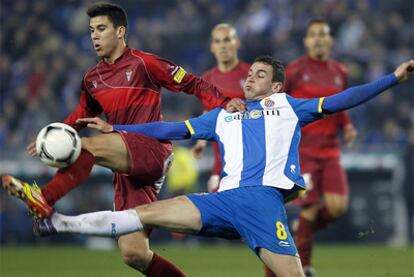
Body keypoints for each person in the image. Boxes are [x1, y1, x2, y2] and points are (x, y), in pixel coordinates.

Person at [32, 57, 414, 276]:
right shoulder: (221, 116)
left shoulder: (289, 107)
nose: (249, 78)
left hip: (263, 204)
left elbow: (344, 99)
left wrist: (393, 79)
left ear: (278, 86)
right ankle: (58, 223)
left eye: (260, 75)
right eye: (249, 75)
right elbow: (169, 129)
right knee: (141, 214)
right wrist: (118, 127)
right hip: (222, 201)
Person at [1, 3, 245, 277]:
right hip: (127, 166)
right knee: (134, 253)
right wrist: (55, 133)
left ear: (120, 32)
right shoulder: (92, 78)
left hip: (151, 149)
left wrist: (225, 102)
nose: (94, 36)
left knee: (88, 145)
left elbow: (193, 83)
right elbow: (83, 114)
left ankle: (44, 197)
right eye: (92, 30)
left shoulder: (144, 63)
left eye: (101, 29)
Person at [283, 19, 357, 277]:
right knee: (310, 207)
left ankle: (302, 228)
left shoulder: (340, 71)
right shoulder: (294, 71)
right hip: (305, 150)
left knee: (337, 207)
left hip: (332, 150)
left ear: (330, 40)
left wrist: (346, 126)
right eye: (313, 34)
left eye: (322, 34)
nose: (317, 39)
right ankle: (305, 266)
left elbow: (342, 103)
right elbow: (279, 102)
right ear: (306, 40)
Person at [192, 23, 250, 192]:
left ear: (237, 42)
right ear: (212, 47)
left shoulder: (252, 74)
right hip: (222, 160)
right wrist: (201, 143)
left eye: (227, 40)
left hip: (251, 156)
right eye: (218, 41)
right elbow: (209, 112)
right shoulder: (207, 80)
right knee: (219, 212)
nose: (223, 46)